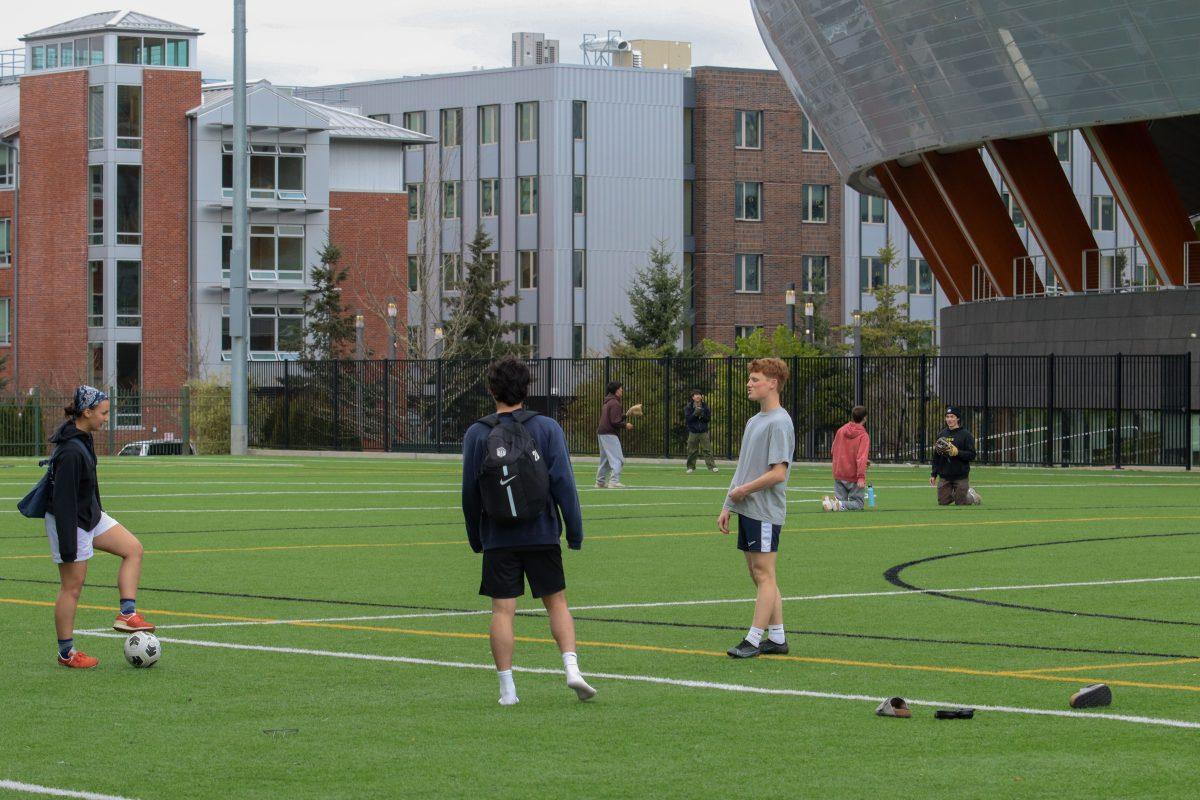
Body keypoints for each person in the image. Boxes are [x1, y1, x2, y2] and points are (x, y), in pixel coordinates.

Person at [462, 356, 596, 705]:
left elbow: (469, 492)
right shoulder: (547, 427)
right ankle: (572, 670)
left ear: (491, 390)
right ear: (527, 389)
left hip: (498, 535)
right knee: (557, 604)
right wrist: (574, 531)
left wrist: (476, 537)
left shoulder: (477, 433)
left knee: (502, 611)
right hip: (541, 532)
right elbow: (564, 482)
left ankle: (507, 689)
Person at [48, 385, 155, 669]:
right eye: (104, 412)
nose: (107, 418)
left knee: (133, 548)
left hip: (90, 515)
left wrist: (98, 510)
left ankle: (127, 614)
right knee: (72, 586)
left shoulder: (83, 438)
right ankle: (66, 653)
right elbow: (63, 502)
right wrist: (70, 545)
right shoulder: (70, 450)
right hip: (70, 521)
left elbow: (88, 487)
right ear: (87, 412)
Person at [717, 358, 795, 659]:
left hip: (764, 510)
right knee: (758, 572)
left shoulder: (780, 422)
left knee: (764, 574)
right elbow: (743, 468)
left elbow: (778, 473)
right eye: (749, 379)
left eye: (755, 379)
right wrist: (728, 504)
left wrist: (744, 491)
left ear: (772, 383)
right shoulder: (754, 421)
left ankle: (753, 639)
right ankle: (777, 638)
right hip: (747, 509)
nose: (749, 384)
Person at [930, 406, 981, 506]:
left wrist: (958, 452)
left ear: (957, 418)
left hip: (960, 476)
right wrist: (933, 474)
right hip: (945, 476)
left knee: (961, 502)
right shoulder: (941, 434)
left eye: (952, 416)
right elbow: (936, 456)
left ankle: (972, 496)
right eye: (947, 417)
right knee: (943, 502)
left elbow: (972, 455)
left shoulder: (966, 435)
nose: (949, 419)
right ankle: (958, 493)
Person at [824, 405, 871, 511]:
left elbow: (833, 450)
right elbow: (861, 457)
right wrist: (861, 476)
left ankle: (833, 503)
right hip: (853, 475)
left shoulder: (841, 430)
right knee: (858, 504)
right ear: (865, 418)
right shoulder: (863, 436)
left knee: (839, 504)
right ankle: (837, 503)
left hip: (839, 472)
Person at [596, 381, 633, 489]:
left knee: (605, 459)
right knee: (618, 459)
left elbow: (614, 417)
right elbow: (614, 421)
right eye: (621, 389)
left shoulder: (608, 402)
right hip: (609, 433)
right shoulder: (615, 403)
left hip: (602, 432)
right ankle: (614, 481)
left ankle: (600, 482)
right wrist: (626, 425)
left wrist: (626, 414)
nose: (622, 391)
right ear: (616, 390)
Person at [684, 391, 718, 474]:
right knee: (692, 450)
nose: (698, 396)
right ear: (693, 397)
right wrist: (695, 414)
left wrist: (702, 414)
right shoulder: (689, 407)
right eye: (696, 395)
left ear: (701, 397)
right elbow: (688, 420)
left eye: (699, 395)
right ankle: (690, 467)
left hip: (703, 432)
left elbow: (708, 419)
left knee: (707, 450)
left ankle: (712, 467)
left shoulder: (705, 407)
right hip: (693, 432)